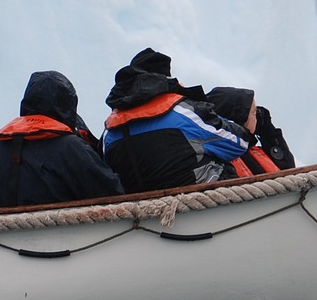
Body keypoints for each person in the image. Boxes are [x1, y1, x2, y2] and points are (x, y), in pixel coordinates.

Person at [102, 47, 252, 193]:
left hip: (139, 211)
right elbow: (239, 143)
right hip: (198, 204)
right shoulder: (183, 112)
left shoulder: (109, 131)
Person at [0, 70, 124, 208]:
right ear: (67, 105)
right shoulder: (70, 147)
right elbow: (112, 193)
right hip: (59, 227)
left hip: (5, 227)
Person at [205, 86, 297, 176]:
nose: (257, 117)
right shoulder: (222, 161)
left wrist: (268, 131)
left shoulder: (249, 152)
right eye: (254, 112)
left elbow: (288, 171)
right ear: (239, 121)